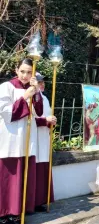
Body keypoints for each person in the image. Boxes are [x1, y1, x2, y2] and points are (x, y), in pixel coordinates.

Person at [0, 59, 43, 224]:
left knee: (23, 179)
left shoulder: (32, 88)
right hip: (10, 139)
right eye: (23, 71)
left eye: (29, 72)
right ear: (16, 70)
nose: (25, 76)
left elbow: (38, 111)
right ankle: (3, 216)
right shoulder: (6, 87)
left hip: (27, 140)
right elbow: (6, 112)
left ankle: (18, 212)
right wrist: (26, 96)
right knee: (8, 179)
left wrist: (36, 92)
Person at [34, 73, 56, 212]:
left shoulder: (45, 98)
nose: (42, 84)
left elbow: (46, 116)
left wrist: (51, 121)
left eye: (43, 82)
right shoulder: (30, 96)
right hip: (33, 138)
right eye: (39, 82)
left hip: (43, 137)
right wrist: (45, 120)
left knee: (42, 169)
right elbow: (28, 119)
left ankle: (40, 200)